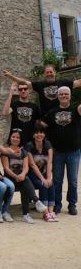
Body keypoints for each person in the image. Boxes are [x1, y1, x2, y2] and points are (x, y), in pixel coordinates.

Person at [42, 86, 81, 215]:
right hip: (57, 152)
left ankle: (72, 205)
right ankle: (57, 204)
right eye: (62, 94)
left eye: (66, 94)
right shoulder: (52, 112)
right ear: (58, 96)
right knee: (57, 180)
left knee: (73, 181)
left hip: (73, 152)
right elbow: (42, 127)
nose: (64, 96)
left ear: (70, 96)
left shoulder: (76, 110)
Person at [1, 129, 48, 224]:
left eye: (18, 137)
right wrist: (16, 176)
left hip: (21, 178)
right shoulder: (5, 151)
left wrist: (22, 175)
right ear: (10, 138)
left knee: (25, 183)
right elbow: (6, 168)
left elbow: (26, 167)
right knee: (22, 183)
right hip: (9, 178)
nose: (15, 139)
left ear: (20, 139)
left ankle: (26, 215)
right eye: (13, 136)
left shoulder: (24, 152)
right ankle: (36, 201)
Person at [3, 65, 81, 115]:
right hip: (46, 118)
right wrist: (11, 76)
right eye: (47, 72)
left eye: (51, 72)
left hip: (61, 114)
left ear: (55, 72)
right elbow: (23, 82)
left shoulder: (64, 82)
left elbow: (78, 82)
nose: (49, 74)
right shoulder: (40, 85)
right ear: (44, 74)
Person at [25, 124, 57, 222]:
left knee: (51, 184)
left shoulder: (48, 145)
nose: (39, 135)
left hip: (44, 173)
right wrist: (43, 179)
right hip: (33, 175)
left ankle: (51, 212)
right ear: (33, 135)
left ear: (44, 134)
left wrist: (48, 178)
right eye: (37, 133)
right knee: (43, 185)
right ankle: (45, 213)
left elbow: (49, 163)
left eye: (41, 132)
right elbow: (32, 165)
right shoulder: (29, 146)